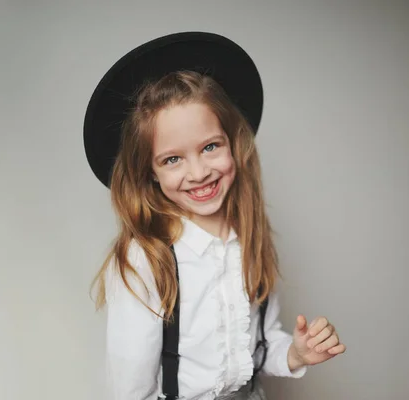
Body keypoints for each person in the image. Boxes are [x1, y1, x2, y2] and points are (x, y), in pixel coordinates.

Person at [83, 32, 345, 400]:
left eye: (210, 147)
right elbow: (131, 389)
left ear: (232, 144)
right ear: (149, 172)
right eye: (173, 159)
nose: (198, 172)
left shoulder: (248, 237)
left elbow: (259, 342)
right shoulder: (146, 259)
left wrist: (296, 352)